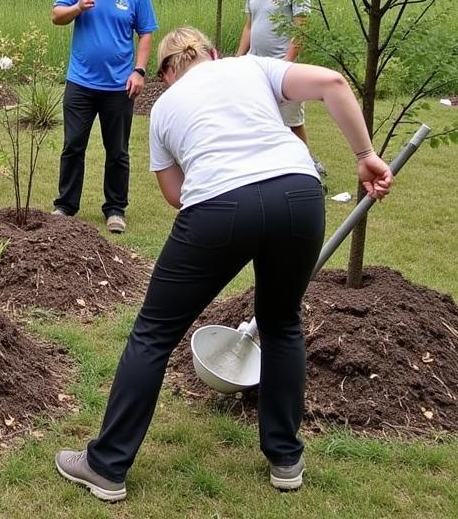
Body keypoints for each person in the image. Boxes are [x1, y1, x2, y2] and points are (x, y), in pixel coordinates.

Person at [55, 27, 393, 501]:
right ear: (214, 54)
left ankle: (106, 465)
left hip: (218, 208)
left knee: (154, 333)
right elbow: (334, 84)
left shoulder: (163, 110)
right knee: (281, 323)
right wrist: (365, 156)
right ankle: (285, 459)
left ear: (167, 75)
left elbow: (174, 195)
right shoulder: (249, 65)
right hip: (298, 193)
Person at [51, 0, 158, 234]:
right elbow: (56, 16)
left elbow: (146, 33)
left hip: (118, 86)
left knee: (117, 150)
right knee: (73, 145)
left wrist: (139, 71)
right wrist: (78, 7)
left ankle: (115, 209)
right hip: (81, 82)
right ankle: (65, 206)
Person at [236, 0, 312, 143]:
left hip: (282, 66)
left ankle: (306, 161)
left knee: (291, 122)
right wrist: (238, 58)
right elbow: (249, 26)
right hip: (255, 65)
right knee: (256, 118)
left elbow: (300, 31)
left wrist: (286, 64)